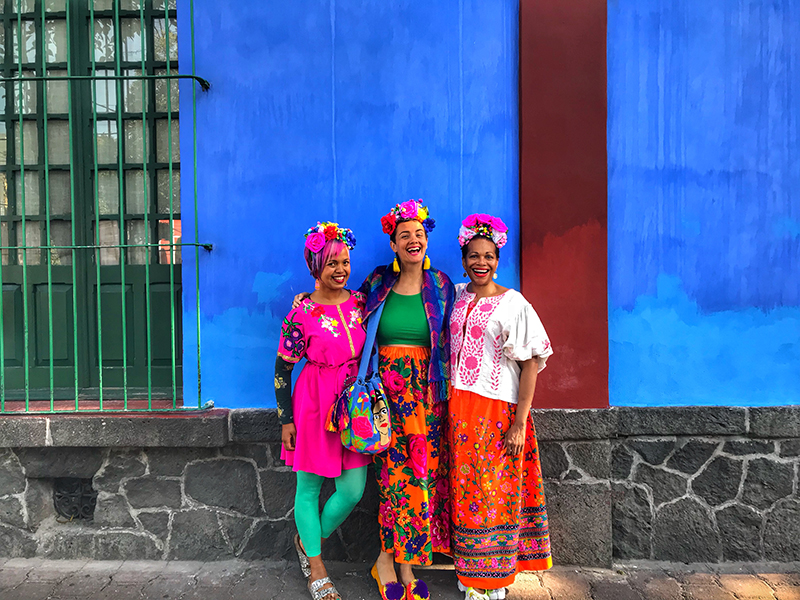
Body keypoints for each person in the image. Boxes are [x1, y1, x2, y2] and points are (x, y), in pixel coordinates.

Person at [293, 199, 454, 600]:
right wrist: (306, 301)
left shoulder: (443, 286)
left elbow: (462, 327)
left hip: (426, 397)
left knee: (419, 478)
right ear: (394, 243)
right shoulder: (377, 284)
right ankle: (385, 560)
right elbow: (342, 306)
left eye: (419, 234)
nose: (413, 240)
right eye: (405, 236)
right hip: (380, 400)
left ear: (425, 240)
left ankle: (404, 562)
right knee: (390, 482)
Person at [448, 214, 553, 600]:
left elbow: (531, 363)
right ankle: (468, 570)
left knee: (495, 491)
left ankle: (494, 579)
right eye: (473, 255)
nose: (481, 263)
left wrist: (520, 423)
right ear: (463, 259)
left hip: (497, 412)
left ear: (498, 258)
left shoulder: (514, 304)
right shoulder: (456, 296)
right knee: (466, 491)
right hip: (459, 410)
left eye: (488, 256)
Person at [276, 221, 370, 600]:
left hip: (353, 405)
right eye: (331, 263)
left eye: (345, 262)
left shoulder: (361, 303)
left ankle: (307, 541)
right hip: (313, 403)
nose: (340, 270)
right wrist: (286, 419)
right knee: (309, 487)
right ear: (316, 266)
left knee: (352, 489)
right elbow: (283, 367)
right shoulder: (302, 313)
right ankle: (316, 568)